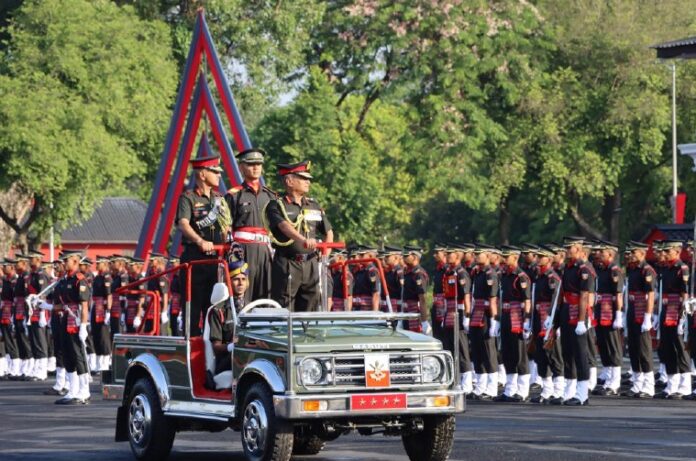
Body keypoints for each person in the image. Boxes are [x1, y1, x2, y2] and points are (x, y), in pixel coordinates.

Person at [265, 161, 334, 311]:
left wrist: (325, 256)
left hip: (311, 263)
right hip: (288, 263)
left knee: (311, 305)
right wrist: (304, 240)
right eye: (303, 178)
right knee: (284, 309)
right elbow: (284, 226)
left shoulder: (313, 205)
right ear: (289, 181)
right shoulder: (276, 205)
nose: (308, 182)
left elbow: (328, 231)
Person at [176, 153, 232, 336]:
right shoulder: (189, 198)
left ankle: (213, 346)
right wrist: (200, 241)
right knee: (193, 307)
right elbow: (183, 223)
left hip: (216, 260)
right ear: (201, 174)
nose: (218, 175)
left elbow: (226, 225)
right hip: (195, 257)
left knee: (215, 308)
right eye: (214, 171)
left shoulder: (219, 198)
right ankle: (191, 347)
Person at [225, 148, 277, 303]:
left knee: (266, 295)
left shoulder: (271, 196)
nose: (255, 168)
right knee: (242, 296)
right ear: (241, 167)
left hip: (265, 250)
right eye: (251, 164)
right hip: (242, 251)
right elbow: (226, 227)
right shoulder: (234, 195)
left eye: (259, 164)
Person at [559, 237, 596, 406]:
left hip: (579, 312)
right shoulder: (567, 268)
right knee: (567, 351)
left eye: (569, 248)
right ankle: (569, 390)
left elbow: (584, 296)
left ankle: (582, 393)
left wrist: (582, 321)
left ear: (578, 248)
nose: (566, 250)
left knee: (581, 353)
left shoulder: (584, 269)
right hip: (567, 310)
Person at [655, 240, 691, 399]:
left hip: (677, 311)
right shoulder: (667, 269)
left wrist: (683, 318)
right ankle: (671, 384)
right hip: (666, 310)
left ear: (677, 252)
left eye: (668, 251)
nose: (664, 254)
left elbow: (685, 295)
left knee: (680, 348)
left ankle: (685, 385)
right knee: (667, 347)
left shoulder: (681, 269)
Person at [496, 245, 532, 402]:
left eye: (506, 257)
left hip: (517, 317)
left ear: (515, 258)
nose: (504, 260)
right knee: (507, 353)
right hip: (505, 316)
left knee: (519, 355)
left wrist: (526, 322)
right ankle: (510, 389)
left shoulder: (521, 277)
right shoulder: (504, 275)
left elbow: (527, 301)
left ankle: (523, 390)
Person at [53, 251, 91, 405]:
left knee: (78, 355)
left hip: (75, 321)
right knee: (67, 354)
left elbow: (84, 305)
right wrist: (46, 305)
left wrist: (83, 326)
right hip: (64, 319)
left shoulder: (79, 280)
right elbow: (59, 304)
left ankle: (84, 391)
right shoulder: (63, 281)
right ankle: (73, 390)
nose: (63, 262)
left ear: (75, 261)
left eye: (66, 260)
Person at [622, 241, 657, 398]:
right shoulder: (632, 269)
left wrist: (648, 317)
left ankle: (648, 386)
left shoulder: (647, 271)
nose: (630, 255)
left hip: (642, 312)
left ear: (642, 253)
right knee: (634, 349)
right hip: (632, 310)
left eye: (633, 252)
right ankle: (637, 384)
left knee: (644, 350)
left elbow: (650, 295)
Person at [530, 246, 564, 404]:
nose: (537, 260)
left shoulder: (553, 278)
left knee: (554, 355)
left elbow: (556, 301)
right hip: (538, 318)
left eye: (541, 257)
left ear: (549, 260)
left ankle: (558, 391)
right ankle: (547, 389)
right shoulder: (540, 277)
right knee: (541, 356)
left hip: (549, 320)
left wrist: (554, 323)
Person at [591, 241, 624, 396]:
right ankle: (607, 378)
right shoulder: (600, 269)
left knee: (612, 346)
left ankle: (615, 382)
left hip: (609, 312)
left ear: (610, 255)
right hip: (599, 310)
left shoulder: (614, 271)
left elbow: (618, 295)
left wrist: (618, 314)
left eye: (602, 253)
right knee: (603, 345)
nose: (598, 255)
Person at [467, 244, 500, 400]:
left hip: (486, 315)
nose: (476, 255)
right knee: (478, 350)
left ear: (487, 255)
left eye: (479, 254)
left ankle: (492, 387)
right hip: (476, 313)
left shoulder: (490, 274)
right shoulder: (476, 272)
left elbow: (493, 299)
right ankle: (480, 386)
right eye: (476, 253)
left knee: (488, 351)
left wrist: (494, 320)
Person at [440, 244, 473, 395]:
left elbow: (466, 296)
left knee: (461, 348)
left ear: (457, 256)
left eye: (450, 254)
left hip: (459, 313)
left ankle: (466, 383)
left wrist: (467, 316)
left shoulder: (461, 273)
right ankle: (455, 379)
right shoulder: (448, 272)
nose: (447, 256)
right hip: (450, 313)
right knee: (450, 347)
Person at [208, 260, 248, 375]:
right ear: (228, 282)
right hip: (227, 361)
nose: (240, 283)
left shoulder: (252, 308)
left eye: (243, 279)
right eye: (236, 279)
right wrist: (232, 346)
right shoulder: (219, 311)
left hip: (248, 355)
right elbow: (216, 347)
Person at [26, 251, 50, 381]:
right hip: (32, 311)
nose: (30, 261)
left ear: (38, 259)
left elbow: (43, 294)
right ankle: (36, 367)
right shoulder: (32, 275)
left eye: (32, 258)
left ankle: (42, 370)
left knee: (40, 340)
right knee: (34, 339)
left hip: (39, 311)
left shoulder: (41, 275)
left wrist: (42, 314)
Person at [401, 246, 430, 333]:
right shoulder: (407, 272)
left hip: (415, 312)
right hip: (406, 311)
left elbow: (422, 298)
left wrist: (424, 321)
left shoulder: (419, 274)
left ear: (415, 257)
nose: (404, 258)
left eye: (407, 256)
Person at [90, 256, 112, 372]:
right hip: (96, 306)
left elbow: (109, 296)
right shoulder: (97, 277)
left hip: (103, 308)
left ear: (104, 264)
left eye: (98, 263)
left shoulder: (106, 277)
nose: (96, 265)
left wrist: (108, 311)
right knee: (96, 334)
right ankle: (98, 362)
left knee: (104, 336)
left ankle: (104, 362)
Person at [1, 258, 21, 380]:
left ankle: (16, 368)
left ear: (12, 267)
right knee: (7, 340)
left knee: (12, 341)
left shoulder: (14, 281)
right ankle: (10, 367)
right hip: (4, 311)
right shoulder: (7, 280)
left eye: (5, 266)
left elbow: (16, 299)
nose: (3, 268)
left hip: (12, 312)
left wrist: (13, 314)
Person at [145, 253, 170, 334]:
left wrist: (164, 311)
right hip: (151, 306)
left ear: (158, 261)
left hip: (159, 306)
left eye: (153, 260)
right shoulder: (151, 273)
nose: (150, 262)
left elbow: (165, 294)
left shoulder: (160, 274)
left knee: (160, 331)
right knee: (149, 330)